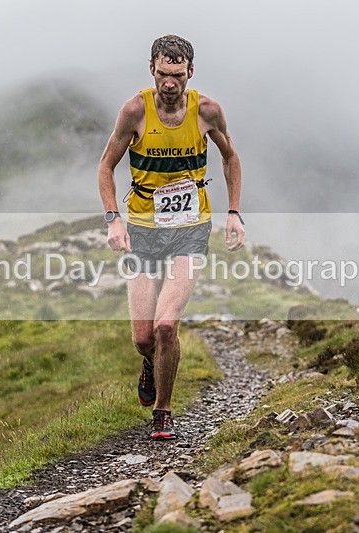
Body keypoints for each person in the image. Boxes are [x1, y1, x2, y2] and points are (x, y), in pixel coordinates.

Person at [98, 34, 245, 440]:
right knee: (143, 337)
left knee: (166, 326)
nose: (169, 83)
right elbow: (106, 167)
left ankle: (162, 412)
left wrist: (234, 213)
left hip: (190, 230)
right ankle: (150, 362)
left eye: (177, 75)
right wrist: (114, 219)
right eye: (163, 74)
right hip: (144, 232)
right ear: (152, 70)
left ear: (190, 73)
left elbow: (230, 156)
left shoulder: (207, 111)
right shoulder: (134, 112)